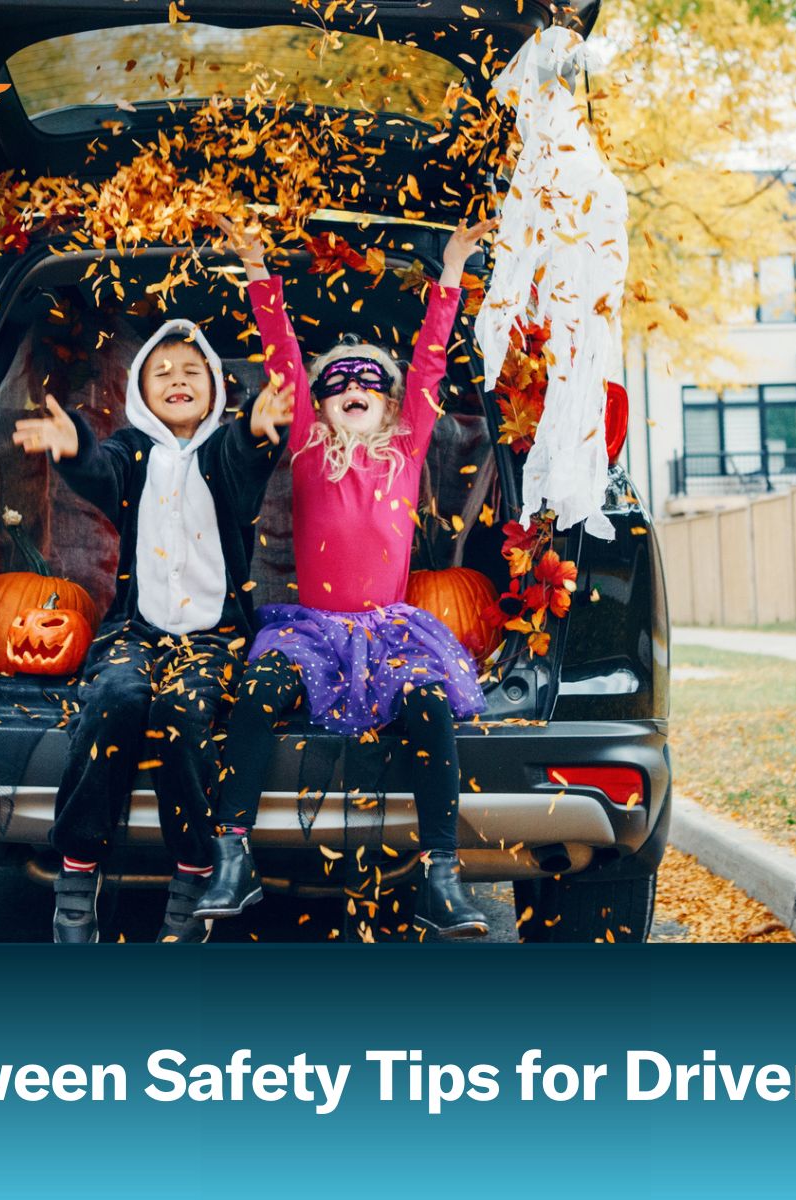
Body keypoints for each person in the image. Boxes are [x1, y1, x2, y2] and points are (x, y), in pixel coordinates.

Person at [196, 215, 498, 939]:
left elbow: (429, 364)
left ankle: (442, 877)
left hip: (390, 627)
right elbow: (286, 359)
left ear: (390, 404)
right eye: (338, 384)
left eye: (369, 382)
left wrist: (450, 274)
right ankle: (231, 857)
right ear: (322, 404)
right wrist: (260, 271)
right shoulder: (306, 446)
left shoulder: (407, 449)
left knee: (426, 701)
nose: (352, 388)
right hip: (313, 630)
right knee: (260, 690)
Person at [13, 318, 292, 943]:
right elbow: (102, 475)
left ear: (217, 388)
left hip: (213, 637)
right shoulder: (132, 450)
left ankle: (193, 876)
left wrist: (253, 428)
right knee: (113, 698)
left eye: (192, 372)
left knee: (186, 713)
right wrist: (77, 447)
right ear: (140, 391)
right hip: (138, 630)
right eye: (161, 373)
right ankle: (78, 872)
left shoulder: (224, 449)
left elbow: (247, 455)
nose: (177, 381)